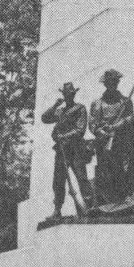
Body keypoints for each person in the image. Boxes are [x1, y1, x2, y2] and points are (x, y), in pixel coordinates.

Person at [41, 81, 93, 219]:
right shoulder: (60, 111)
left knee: (81, 178)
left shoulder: (80, 108)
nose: (67, 96)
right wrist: (55, 105)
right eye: (65, 94)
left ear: (74, 94)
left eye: (70, 94)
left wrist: (64, 136)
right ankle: (57, 210)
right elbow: (44, 118)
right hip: (61, 150)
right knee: (58, 181)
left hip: (76, 149)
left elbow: (80, 130)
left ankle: (90, 207)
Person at [89, 69, 133, 201]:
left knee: (121, 167)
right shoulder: (97, 103)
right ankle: (108, 199)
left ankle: (124, 195)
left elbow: (130, 118)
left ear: (118, 82)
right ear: (105, 84)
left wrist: (118, 125)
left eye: (114, 82)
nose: (112, 85)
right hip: (103, 141)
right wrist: (100, 131)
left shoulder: (125, 101)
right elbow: (92, 123)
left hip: (121, 139)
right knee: (104, 169)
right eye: (109, 83)